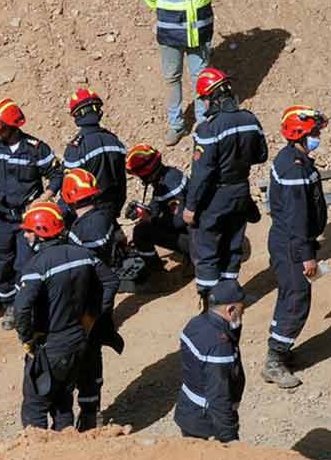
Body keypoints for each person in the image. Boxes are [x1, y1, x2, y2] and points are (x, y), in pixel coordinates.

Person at [13, 202, 119, 431]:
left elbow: (21, 308)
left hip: (51, 346)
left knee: (35, 405)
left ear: (40, 232)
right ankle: (68, 453)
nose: (26, 235)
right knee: (62, 401)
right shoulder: (84, 255)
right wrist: (96, 315)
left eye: (29, 230)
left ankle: (41, 459)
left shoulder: (36, 266)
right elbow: (111, 281)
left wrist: (26, 338)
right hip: (80, 341)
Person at [0, 98, 63, 330]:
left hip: (26, 219)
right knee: (3, 264)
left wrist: (45, 198)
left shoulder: (36, 148)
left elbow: (57, 174)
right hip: (0, 218)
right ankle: (9, 304)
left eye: (1, 129)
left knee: (25, 263)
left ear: (13, 126)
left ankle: (26, 307)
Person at [183, 68, 267, 304]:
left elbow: (201, 174)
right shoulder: (251, 120)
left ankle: (212, 304)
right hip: (241, 191)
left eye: (205, 99)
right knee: (233, 245)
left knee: (207, 249)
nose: (204, 104)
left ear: (213, 97)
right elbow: (261, 155)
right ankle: (231, 296)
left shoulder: (209, 129)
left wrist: (191, 207)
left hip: (216, 197)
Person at [262, 106, 328, 389]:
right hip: (291, 243)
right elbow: (298, 216)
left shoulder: (295, 159)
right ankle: (274, 361)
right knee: (296, 299)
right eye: (314, 132)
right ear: (300, 134)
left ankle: (281, 350)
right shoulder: (294, 167)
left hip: (289, 240)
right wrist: (307, 256)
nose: (318, 136)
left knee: (291, 295)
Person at [142, 0, 218, 146]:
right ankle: (176, 125)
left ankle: (204, 123)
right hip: (171, 34)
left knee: (201, 79)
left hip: (200, 31)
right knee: (172, 78)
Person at [61, 169, 125, 430]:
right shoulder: (106, 216)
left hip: (84, 299)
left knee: (82, 356)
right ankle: (91, 410)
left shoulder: (82, 231)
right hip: (100, 298)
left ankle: (84, 416)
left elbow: (79, 267)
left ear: (69, 198)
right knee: (93, 353)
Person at [174, 280, 246, 443]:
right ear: (230, 309)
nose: (243, 315)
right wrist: (229, 438)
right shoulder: (220, 346)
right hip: (207, 425)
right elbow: (219, 396)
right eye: (242, 310)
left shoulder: (196, 324)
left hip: (189, 413)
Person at [62, 89, 127, 220]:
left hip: (87, 213)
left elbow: (70, 188)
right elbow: (122, 182)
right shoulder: (114, 141)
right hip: (111, 210)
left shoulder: (76, 148)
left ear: (76, 116)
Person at [125, 143, 191, 265]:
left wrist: (151, 220)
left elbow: (180, 221)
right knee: (143, 226)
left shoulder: (170, 184)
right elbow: (156, 206)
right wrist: (143, 210)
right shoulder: (167, 175)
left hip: (198, 240)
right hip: (196, 233)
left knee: (141, 232)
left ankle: (156, 272)